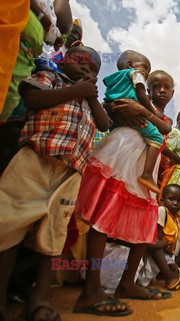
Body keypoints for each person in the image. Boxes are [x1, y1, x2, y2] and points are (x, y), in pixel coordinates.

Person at [0, 46, 109, 321]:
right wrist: (76, 90)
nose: (87, 68)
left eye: (93, 68)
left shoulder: (89, 99)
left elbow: (105, 123)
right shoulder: (52, 77)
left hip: (70, 173)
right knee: (9, 225)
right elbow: (32, 97)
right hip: (34, 161)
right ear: (62, 60)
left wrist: (89, 95)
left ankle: (40, 299)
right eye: (80, 61)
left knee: (54, 236)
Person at [73, 71, 173, 315]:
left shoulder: (150, 110)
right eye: (155, 86)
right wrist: (137, 109)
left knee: (145, 223)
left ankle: (128, 283)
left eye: (166, 87)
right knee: (103, 218)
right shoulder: (128, 100)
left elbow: (165, 128)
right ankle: (91, 289)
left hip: (144, 165)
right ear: (144, 88)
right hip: (122, 153)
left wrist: (143, 112)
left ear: (172, 93)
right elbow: (112, 111)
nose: (161, 90)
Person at [103, 50, 165, 194]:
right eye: (146, 68)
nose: (147, 74)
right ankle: (147, 175)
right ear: (130, 64)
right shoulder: (135, 74)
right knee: (156, 138)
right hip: (126, 147)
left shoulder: (115, 79)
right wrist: (151, 111)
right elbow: (141, 96)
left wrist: (117, 108)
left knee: (109, 184)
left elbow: (107, 102)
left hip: (118, 139)